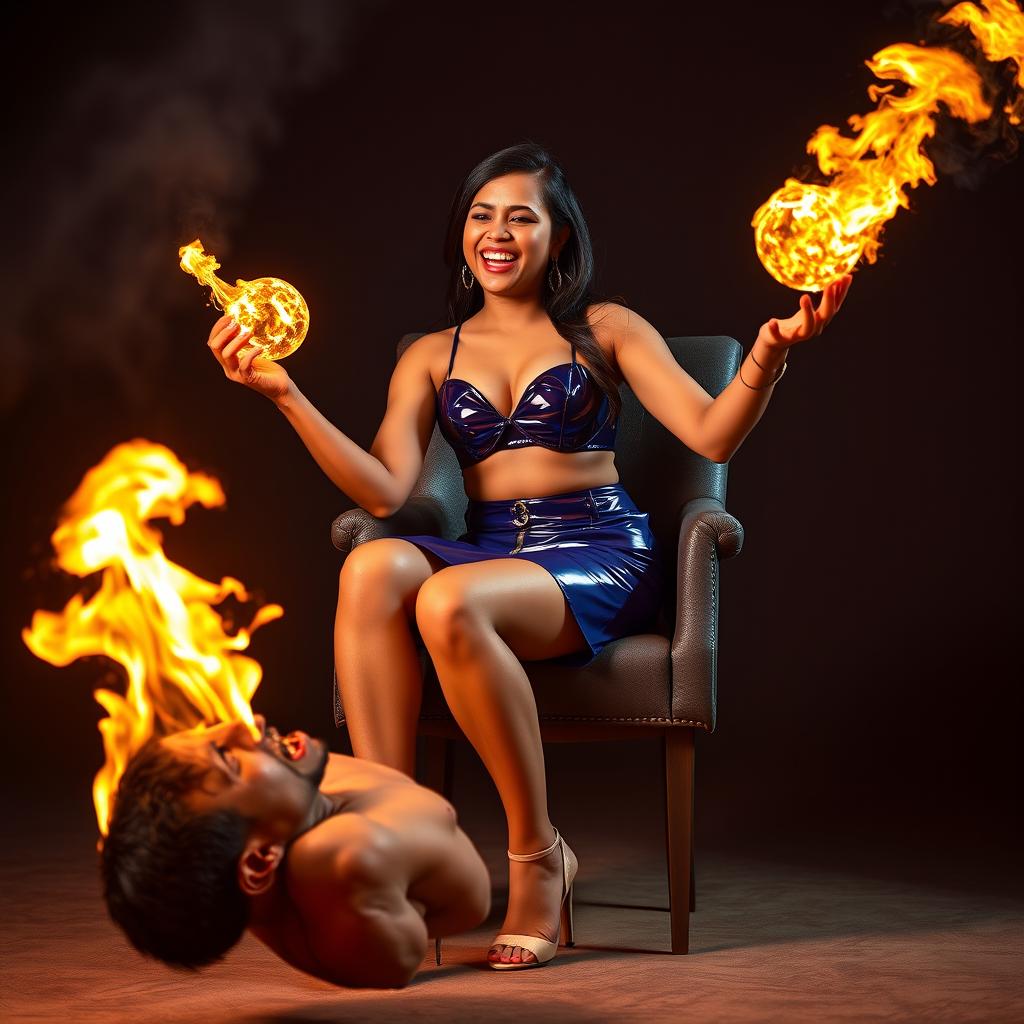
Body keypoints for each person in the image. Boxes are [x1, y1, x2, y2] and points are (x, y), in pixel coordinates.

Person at [206, 141, 852, 969]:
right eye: (482, 215)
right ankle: (391, 833)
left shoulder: (605, 329)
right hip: (488, 549)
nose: (497, 232)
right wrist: (284, 395)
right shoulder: (429, 355)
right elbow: (381, 490)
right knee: (370, 565)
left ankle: (536, 857)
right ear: (463, 233)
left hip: (597, 550)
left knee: (449, 600)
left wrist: (773, 348)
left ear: (558, 239)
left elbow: (711, 433)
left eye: (521, 216)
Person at [100, 715, 490, 988]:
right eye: (229, 759)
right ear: (259, 861)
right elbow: (406, 957)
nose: (244, 721)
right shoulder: (338, 856)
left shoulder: (291, 807)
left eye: (208, 730)